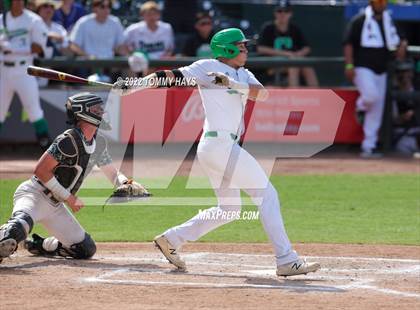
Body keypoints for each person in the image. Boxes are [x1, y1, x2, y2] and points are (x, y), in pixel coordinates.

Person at [116, 28, 320, 277]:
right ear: (227, 48)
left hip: (220, 147)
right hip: (218, 145)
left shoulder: (244, 73)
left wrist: (234, 84)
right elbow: (170, 76)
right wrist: (135, 85)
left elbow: (263, 95)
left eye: (245, 46)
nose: (246, 49)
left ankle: (171, 239)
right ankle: (286, 259)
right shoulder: (207, 67)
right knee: (267, 194)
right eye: (241, 46)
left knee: (230, 209)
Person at [0, 92, 150, 264]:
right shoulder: (68, 140)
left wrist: (125, 183)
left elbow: (112, 172)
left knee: (85, 249)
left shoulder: (97, 143)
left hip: (55, 206)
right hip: (35, 195)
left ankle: (40, 245)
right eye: (97, 109)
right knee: (16, 229)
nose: (102, 112)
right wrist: (69, 197)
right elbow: (41, 171)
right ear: (83, 113)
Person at [343, 0, 407, 158]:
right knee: (371, 96)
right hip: (363, 67)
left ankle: (368, 147)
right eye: (378, 1)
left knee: (376, 110)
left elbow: (400, 39)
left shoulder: (389, 20)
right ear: (372, 2)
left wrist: (403, 45)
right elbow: (348, 43)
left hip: (383, 69)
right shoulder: (360, 20)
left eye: (383, 1)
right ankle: (360, 106)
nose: (381, 4)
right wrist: (349, 65)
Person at [0, 0, 51, 149]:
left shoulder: (33, 20)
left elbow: (38, 47)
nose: (19, 2)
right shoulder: (2, 19)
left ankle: (47, 150)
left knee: (34, 111)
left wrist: (13, 47)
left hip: (24, 71)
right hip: (3, 70)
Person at [257, 0, 318, 87]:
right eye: (279, 11)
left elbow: (306, 48)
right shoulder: (268, 28)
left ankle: (316, 97)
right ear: (275, 13)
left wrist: (297, 55)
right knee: (293, 66)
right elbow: (261, 48)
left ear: (291, 14)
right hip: (272, 65)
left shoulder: (294, 28)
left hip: (292, 61)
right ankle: (294, 96)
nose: (283, 14)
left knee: (307, 67)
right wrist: (286, 54)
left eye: (286, 11)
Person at [392, 60, 420, 156]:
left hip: (417, 131)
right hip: (404, 135)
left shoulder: (417, 89)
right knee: (402, 146)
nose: (405, 76)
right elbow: (393, 120)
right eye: (401, 72)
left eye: (408, 72)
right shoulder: (392, 93)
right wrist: (402, 118)